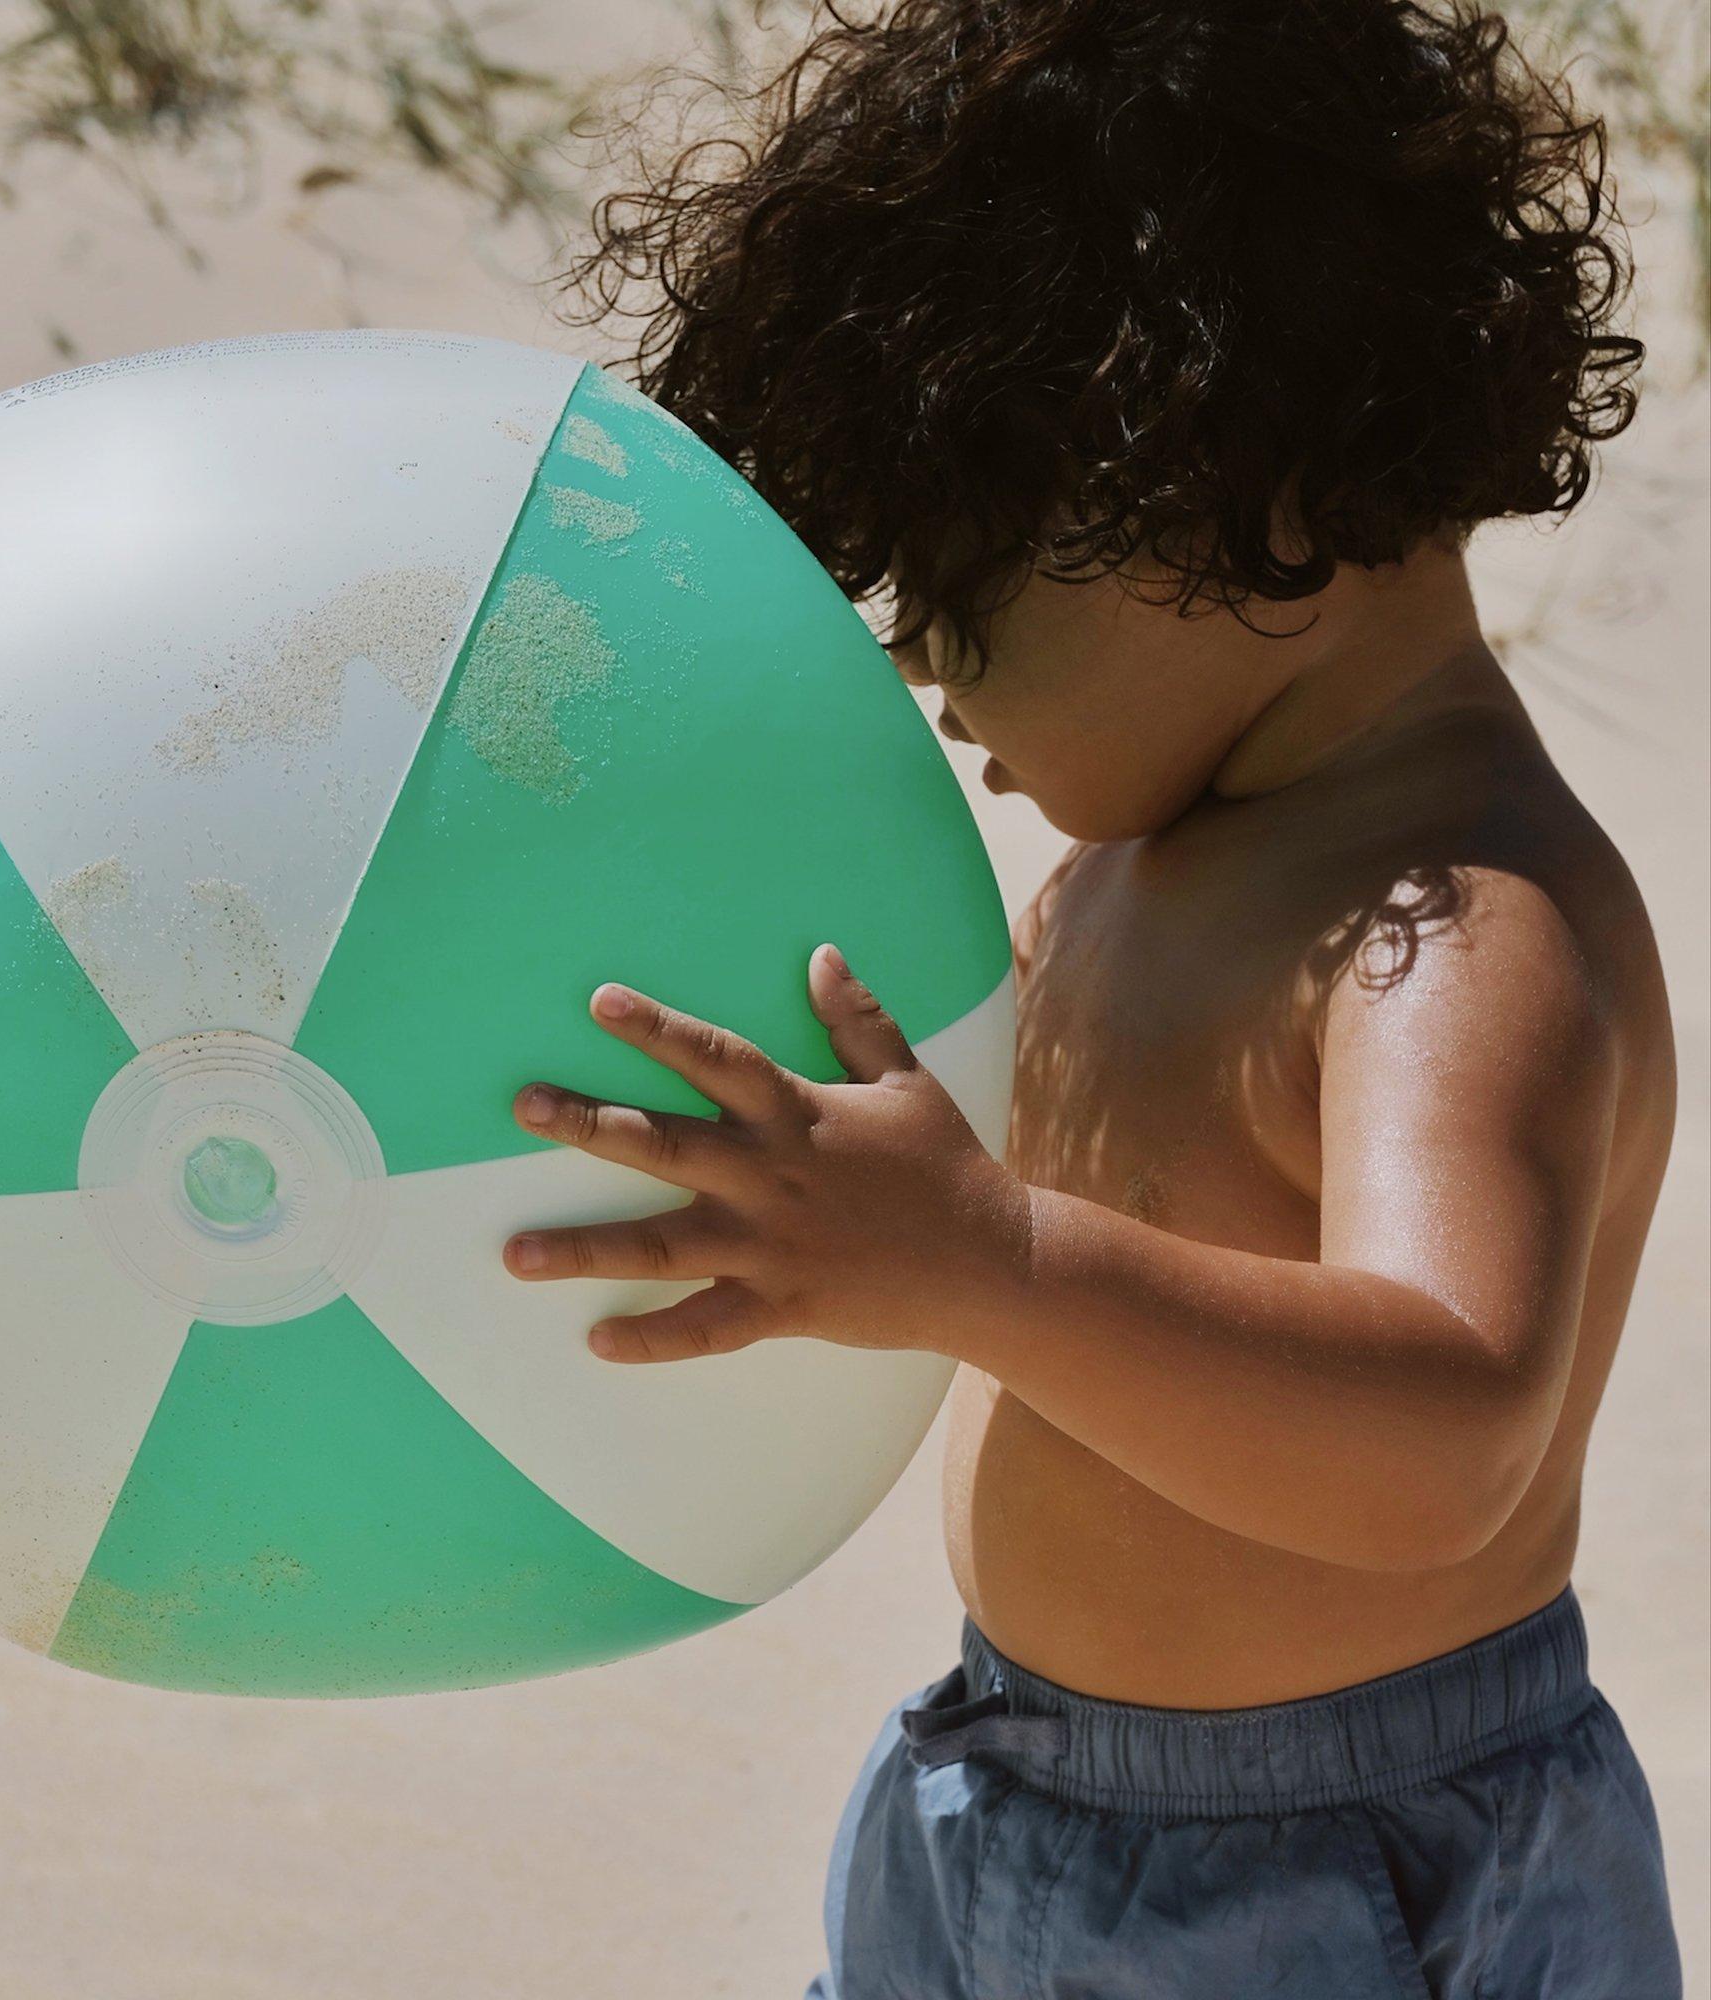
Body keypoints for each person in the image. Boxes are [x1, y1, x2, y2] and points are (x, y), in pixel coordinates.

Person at [505, 1, 1683, 1991]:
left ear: (1242, 502)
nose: (921, 668)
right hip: (996, 1787)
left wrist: (978, 1255)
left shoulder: (1455, 926)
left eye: (956, 586)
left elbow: (1447, 1432)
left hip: (1327, 1881)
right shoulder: (1139, 869)